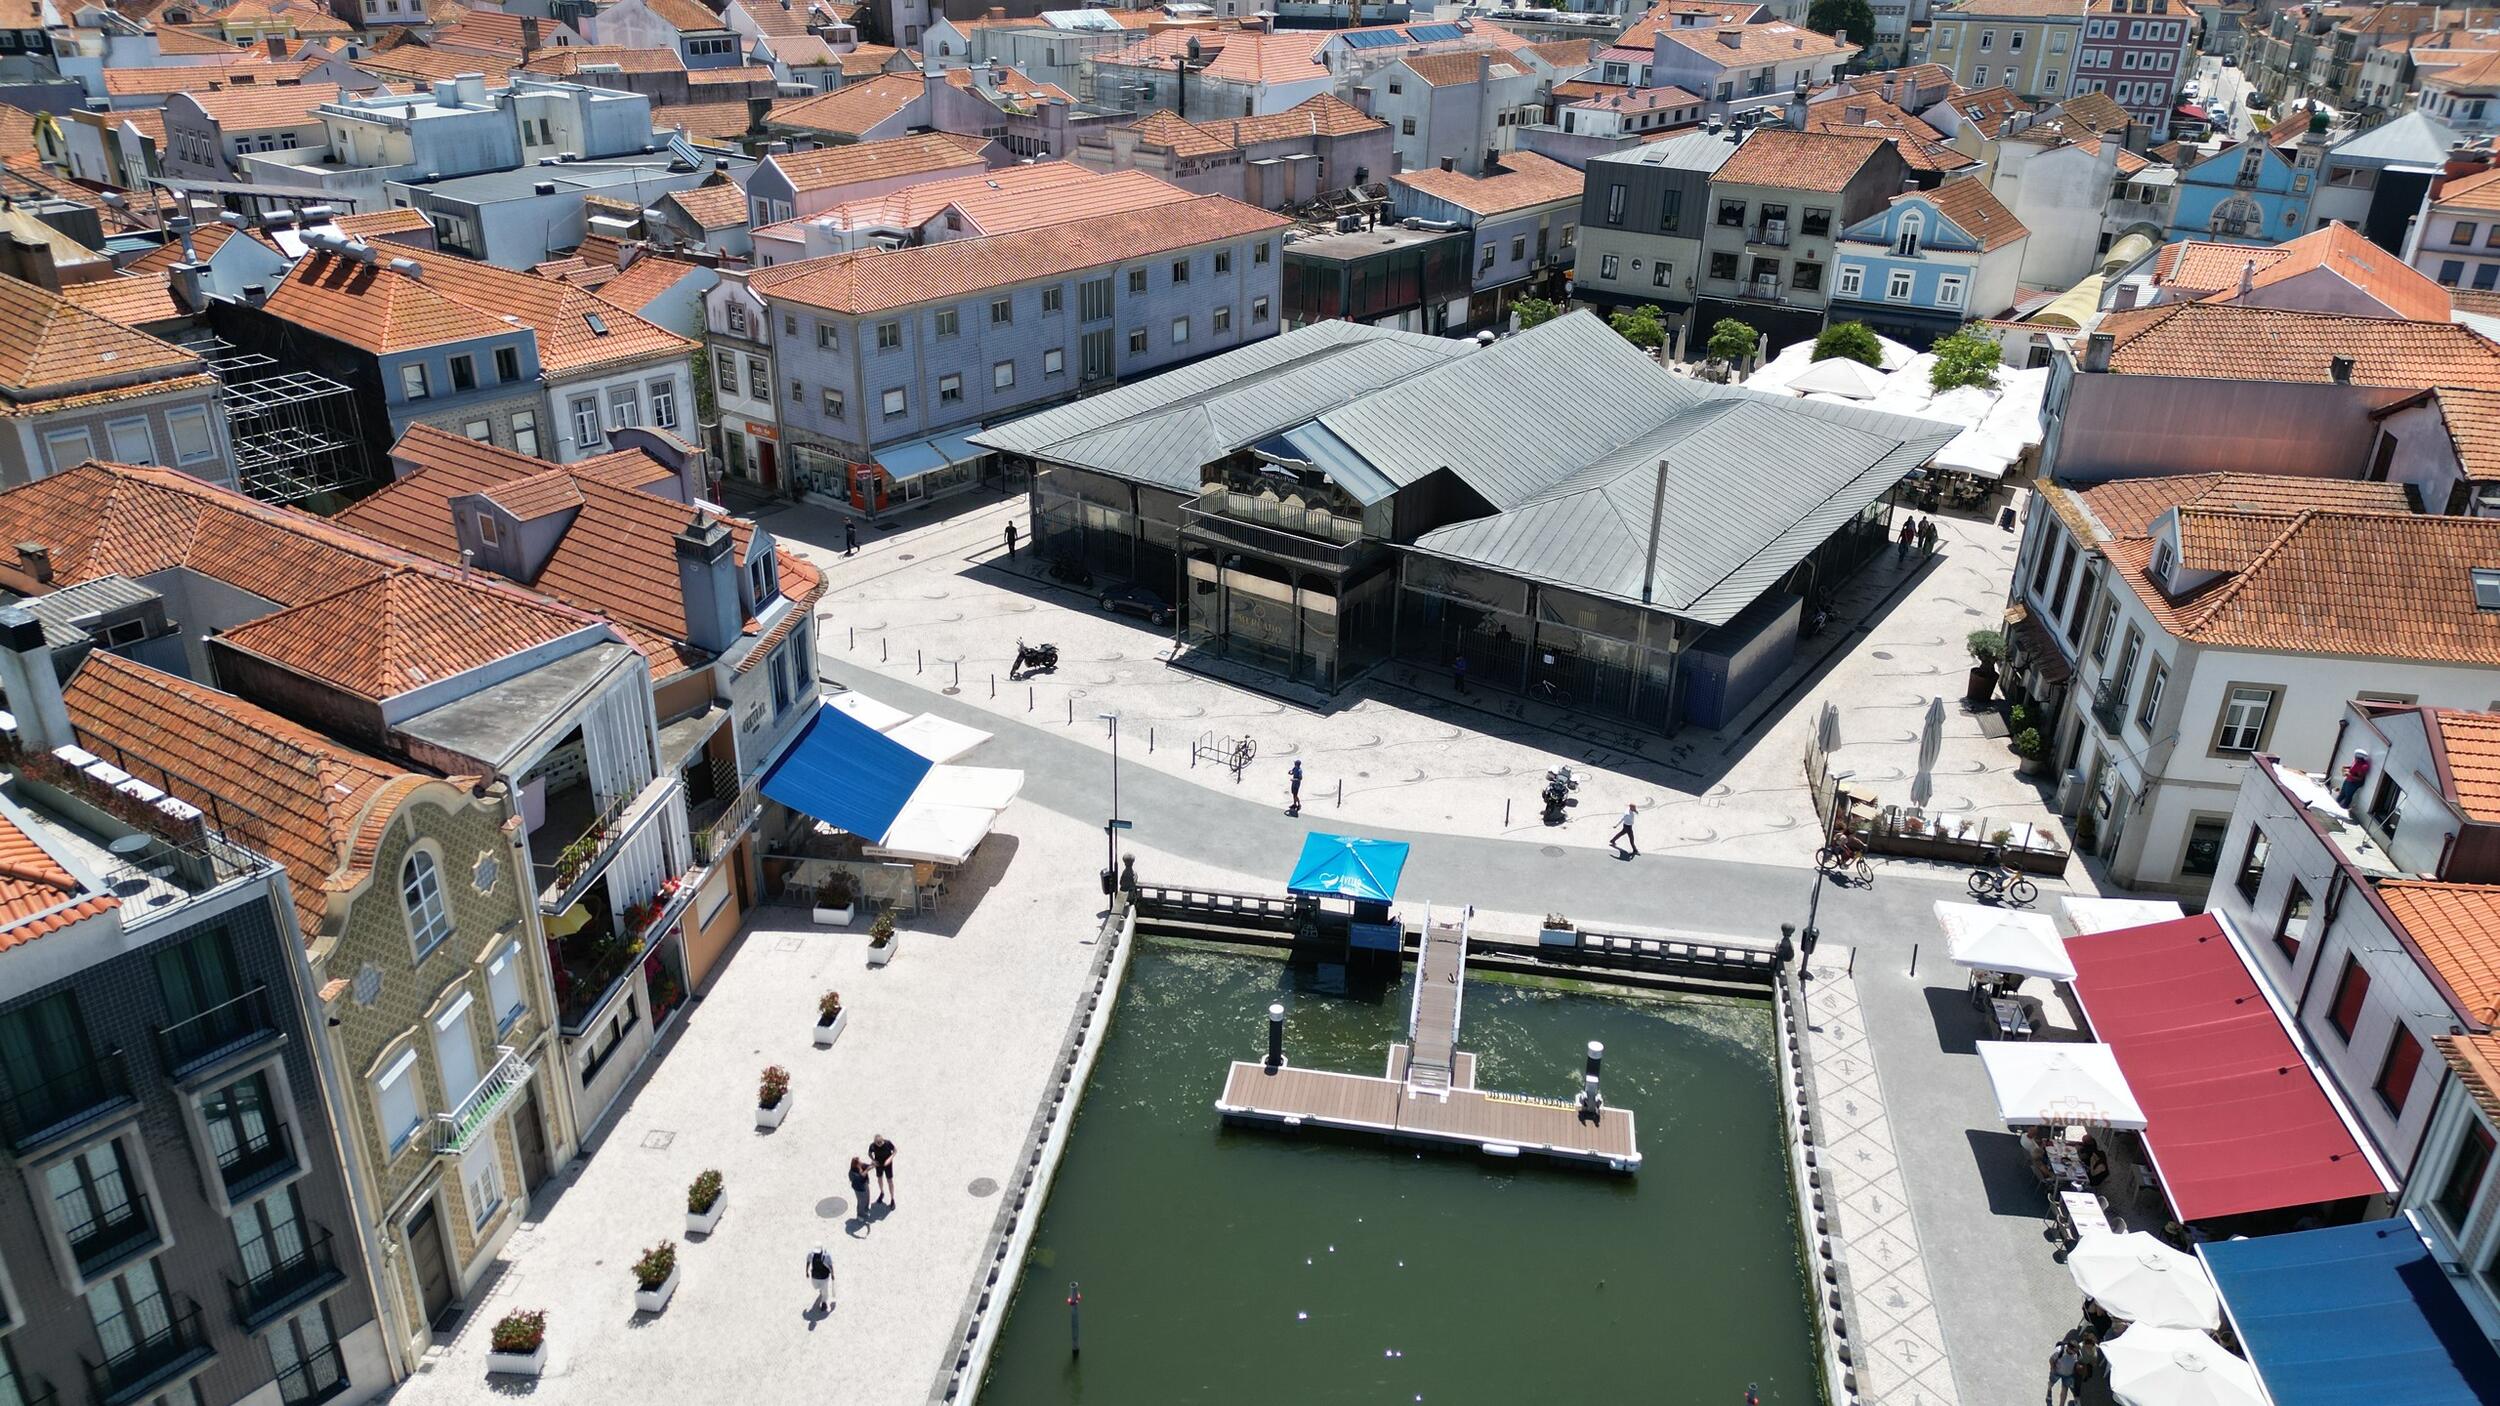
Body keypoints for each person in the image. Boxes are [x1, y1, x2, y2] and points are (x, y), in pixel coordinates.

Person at [2048, 1336, 2080, 1406]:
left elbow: (2076, 1362)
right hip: (2057, 1372)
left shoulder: (2076, 1353)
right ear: (2069, 1348)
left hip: (2068, 1375)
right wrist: (2053, 1369)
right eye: (2074, 1351)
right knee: (2051, 1383)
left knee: (2065, 1390)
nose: (2075, 1352)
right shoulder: (2059, 1351)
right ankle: (2049, 1390)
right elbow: (2051, 1360)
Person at [805, 1244, 835, 1313]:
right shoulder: (811, 1254)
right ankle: (821, 1290)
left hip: (825, 1277)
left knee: (825, 1291)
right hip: (815, 1276)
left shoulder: (826, 1255)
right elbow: (808, 1262)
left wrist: (832, 1274)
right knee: (816, 1286)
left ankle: (824, 1303)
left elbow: (830, 1265)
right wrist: (806, 1271)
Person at [869, 1133, 897, 1206]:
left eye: (880, 1142)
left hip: (888, 1164)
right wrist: (873, 1160)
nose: (879, 1144)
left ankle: (892, 1199)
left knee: (890, 1181)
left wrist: (889, 1159)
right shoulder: (872, 1146)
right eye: (877, 1143)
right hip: (879, 1164)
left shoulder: (888, 1143)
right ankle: (882, 1192)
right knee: (879, 1179)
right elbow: (869, 1153)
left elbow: (895, 1151)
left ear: (883, 1140)